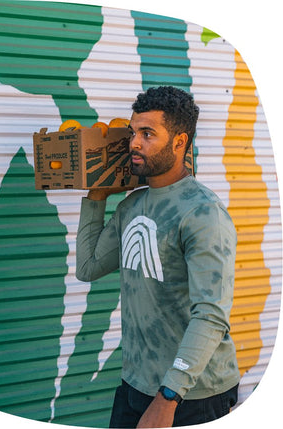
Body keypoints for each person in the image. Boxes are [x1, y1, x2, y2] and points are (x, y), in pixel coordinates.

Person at [76, 86, 240, 428]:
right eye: (133, 132)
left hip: (192, 396)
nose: (134, 143)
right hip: (135, 385)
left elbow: (211, 315)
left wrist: (168, 398)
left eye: (147, 134)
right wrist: (96, 196)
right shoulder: (131, 206)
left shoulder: (202, 212)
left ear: (179, 142)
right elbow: (88, 267)